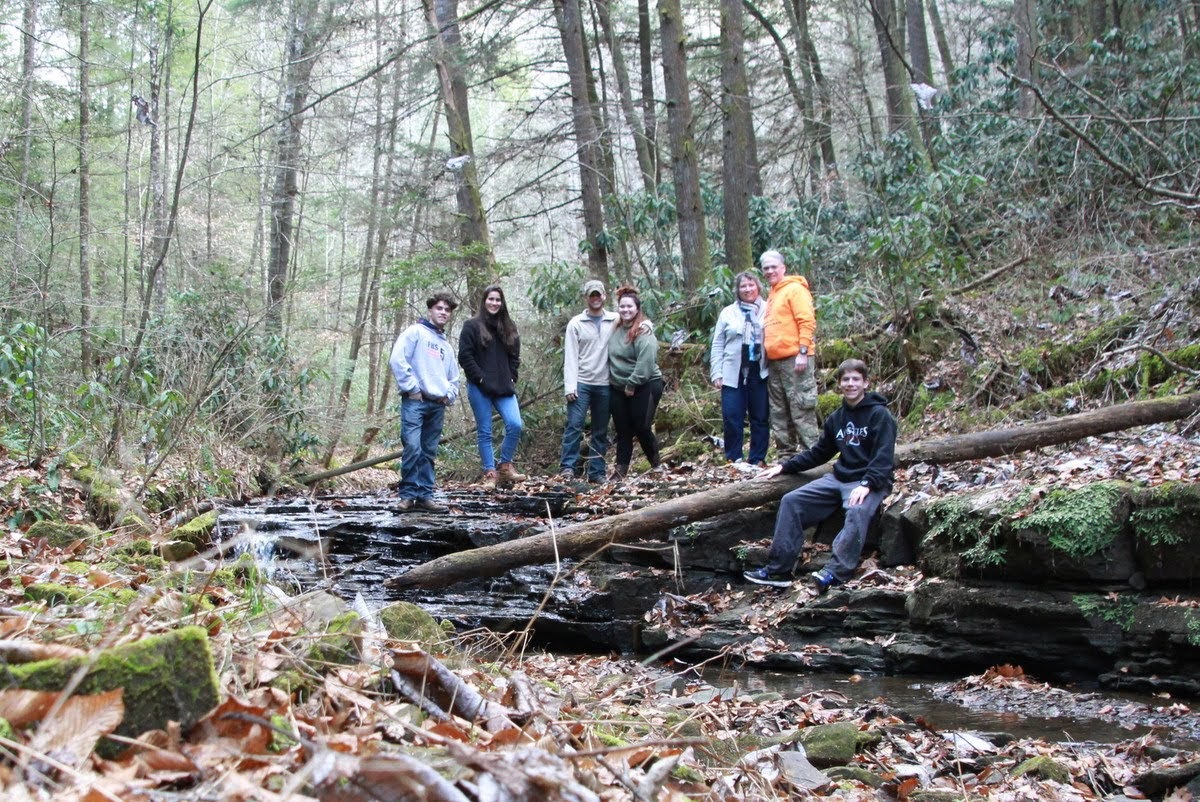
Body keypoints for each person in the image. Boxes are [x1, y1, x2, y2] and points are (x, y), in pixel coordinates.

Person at [743, 358, 897, 594]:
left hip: (869, 481)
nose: (851, 384)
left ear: (866, 383)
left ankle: (835, 573)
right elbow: (820, 452)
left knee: (856, 510)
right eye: (846, 379)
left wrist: (867, 484)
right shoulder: (837, 417)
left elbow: (883, 457)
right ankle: (779, 571)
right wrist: (785, 467)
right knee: (792, 501)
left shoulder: (880, 415)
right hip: (839, 478)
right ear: (840, 385)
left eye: (856, 379)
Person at [389, 292, 460, 512]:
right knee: (412, 446)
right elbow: (397, 360)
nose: (443, 313)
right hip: (415, 402)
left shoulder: (446, 346)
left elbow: (453, 377)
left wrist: (448, 395)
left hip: (437, 404)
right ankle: (407, 496)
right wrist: (412, 388)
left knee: (429, 450)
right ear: (430, 310)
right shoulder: (415, 332)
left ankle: (425, 496)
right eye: (439, 308)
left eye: (447, 310)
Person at [458, 284, 526, 490]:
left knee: (515, 424)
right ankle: (490, 473)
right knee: (485, 431)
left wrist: (512, 378)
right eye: (491, 299)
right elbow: (465, 356)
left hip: (504, 387)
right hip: (480, 387)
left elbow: (515, 357)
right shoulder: (471, 326)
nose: (494, 303)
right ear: (484, 301)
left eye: (498, 299)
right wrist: (479, 379)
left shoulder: (509, 327)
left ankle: (505, 466)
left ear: (502, 303)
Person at [760, 249, 820, 456]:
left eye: (773, 267)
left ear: (783, 268)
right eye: (766, 268)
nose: (769, 271)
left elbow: (807, 320)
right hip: (775, 362)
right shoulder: (773, 293)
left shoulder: (795, 289)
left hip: (796, 358)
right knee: (779, 411)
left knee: (801, 407)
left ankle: (812, 454)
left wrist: (803, 351)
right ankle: (786, 456)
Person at [560, 279, 619, 483]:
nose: (595, 298)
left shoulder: (615, 319)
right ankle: (568, 468)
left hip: (605, 383)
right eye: (591, 295)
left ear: (604, 296)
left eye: (598, 294)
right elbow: (571, 356)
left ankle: (596, 472)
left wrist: (646, 325)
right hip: (582, 383)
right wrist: (570, 386)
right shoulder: (576, 324)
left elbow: (636, 322)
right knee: (574, 425)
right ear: (586, 298)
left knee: (600, 430)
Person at [710, 271, 769, 466]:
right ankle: (734, 458)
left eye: (751, 285)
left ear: (758, 287)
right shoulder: (728, 312)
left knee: (760, 416)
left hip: (760, 371)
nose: (747, 289)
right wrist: (716, 372)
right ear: (737, 290)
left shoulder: (769, 309)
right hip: (732, 371)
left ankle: (757, 458)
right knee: (732, 416)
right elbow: (718, 344)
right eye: (743, 286)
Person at [608, 286, 664, 480]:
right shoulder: (615, 326)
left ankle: (657, 465)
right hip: (617, 386)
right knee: (622, 429)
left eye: (629, 306)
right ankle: (620, 471)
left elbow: (645, 363)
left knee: (641, 426)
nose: (625, 310)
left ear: (637, 308)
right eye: (622, 306)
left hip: (645, 384)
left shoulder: (643, 331)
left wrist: (631, 384)